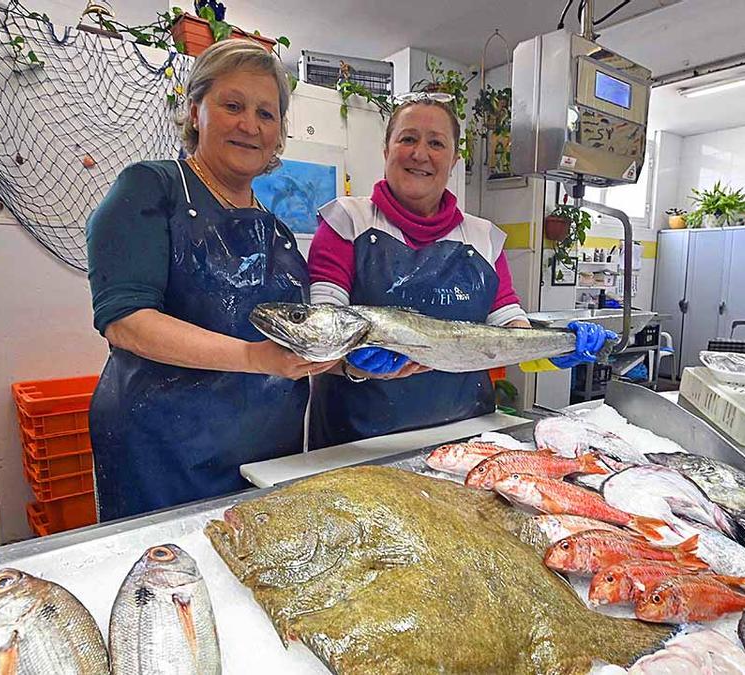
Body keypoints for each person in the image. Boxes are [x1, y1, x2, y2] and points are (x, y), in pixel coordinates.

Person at [85, 39, 336, 521]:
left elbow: (292, 343)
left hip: (268, 458)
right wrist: (254, 357)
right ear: (195, 110)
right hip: (163, 456)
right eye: (233, 105)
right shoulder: (150, 188)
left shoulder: (278, 232)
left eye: (266, 114)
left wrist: (348, 362)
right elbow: (126, 321)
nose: (250, 125)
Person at [307, 94, 610, 448]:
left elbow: (511, 331)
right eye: (407, 139)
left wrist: (556, 348)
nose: (420, 154)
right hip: (356, 445)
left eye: (436, 143)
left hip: (465, 437)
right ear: (386, 149)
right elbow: (318, 334)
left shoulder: (483, 237)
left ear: (454, 159)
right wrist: (351, 365)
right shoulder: (347, 220)